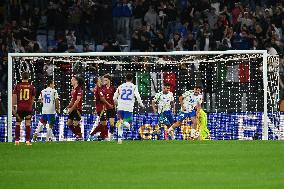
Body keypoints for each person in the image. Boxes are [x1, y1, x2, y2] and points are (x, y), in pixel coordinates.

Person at [113, 73, 144, 144]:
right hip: (128, 107)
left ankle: (119, 141)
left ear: (125, 79)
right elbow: (138, 96)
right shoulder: (134, 86)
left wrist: (118, 104)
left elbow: (114, 98)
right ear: (132, 79)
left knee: (120, 125)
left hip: (120, 107)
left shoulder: (120, 86)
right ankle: (123, 121)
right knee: (128, 124)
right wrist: (141, 104)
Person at [12, 72, 36, 145]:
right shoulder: (32, 87)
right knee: (28, 124)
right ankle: (28, 141)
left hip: (20, 108)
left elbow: (14, 96)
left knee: (18, 123)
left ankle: (17, 140)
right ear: (28, 77)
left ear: (21, 77)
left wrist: (13, 106)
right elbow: (33, 98)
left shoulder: (17, 86)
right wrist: (30, 105)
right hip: (28, 108)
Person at [88, 77, 113, 141]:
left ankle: (102, 136)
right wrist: (109, 104)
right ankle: (93, 135)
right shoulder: (98, 89)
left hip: (100, 108)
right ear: (97, 81)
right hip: (101, 108)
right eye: (99, 79)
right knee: (104, 123)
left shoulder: (97, 88)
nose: (101, 80)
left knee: (103, 123)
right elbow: (102, 99)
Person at [65, 75, 84, 140]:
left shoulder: (79, 89)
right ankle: (77, 135)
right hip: (72, 109)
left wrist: (72, 108)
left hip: (77, 109)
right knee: (69, 123)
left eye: (72, 79)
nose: (71, 81)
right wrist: (68, 107)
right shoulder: (73, 90)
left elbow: (77, 100)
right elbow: (72, 100)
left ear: (76, 81)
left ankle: (80, 136)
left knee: (75, 123)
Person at [101, 74, 116, 140]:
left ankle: (111, 136)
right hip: (104, 108)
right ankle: (105, 136)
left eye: (106, 80)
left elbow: (115, 98)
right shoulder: (102, 88)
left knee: (112, 123)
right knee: (104, 123)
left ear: (109, 80)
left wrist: (116, 105)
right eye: (104, 80)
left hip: (111, 108)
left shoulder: (113, 88)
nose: (104, 81)